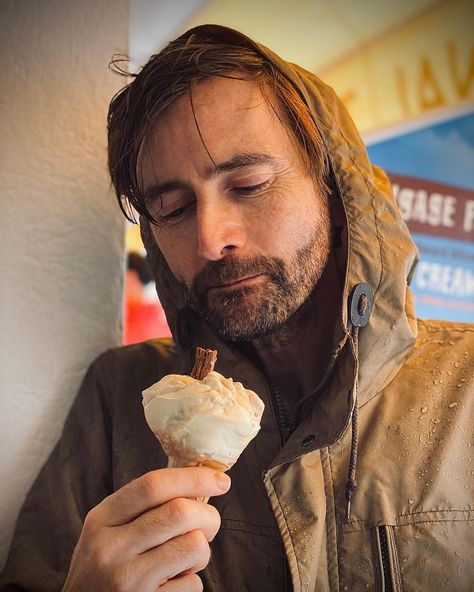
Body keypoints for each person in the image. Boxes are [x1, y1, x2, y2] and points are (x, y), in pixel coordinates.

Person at [1, 24, 473, 592]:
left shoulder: (465, 385)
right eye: (174, 208)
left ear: (334, 189)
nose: (209, 238)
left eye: (248, 185)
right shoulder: (117, 397)